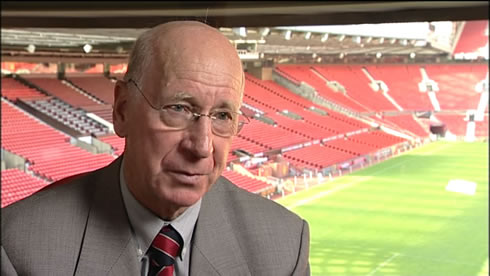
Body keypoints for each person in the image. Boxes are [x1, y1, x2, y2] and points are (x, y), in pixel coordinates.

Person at [1, 21, 310, 276]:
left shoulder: (284, 248)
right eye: (178, 108)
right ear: (122, 110)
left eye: (222, 116)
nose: (202, 146)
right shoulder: (18, 247)